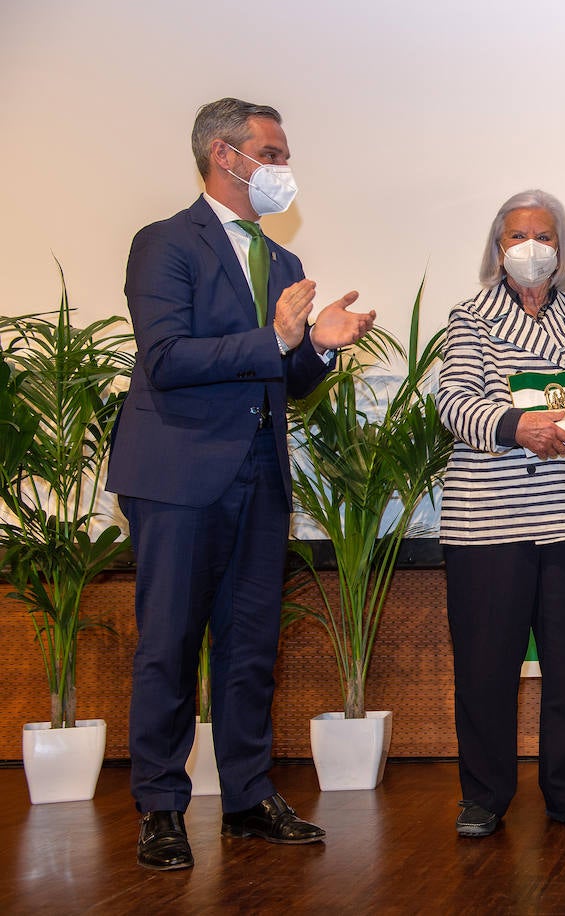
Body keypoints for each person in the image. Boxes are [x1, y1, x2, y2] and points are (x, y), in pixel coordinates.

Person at [107, 98, 376, 871]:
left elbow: (285, 380)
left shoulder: (282, 263)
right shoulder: (165, 243)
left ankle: (248, 798)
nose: (283, 169)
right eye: (273, 153)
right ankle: (160, 806)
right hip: (180, 476)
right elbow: (167, 358)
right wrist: (277, 336)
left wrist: (317, 349)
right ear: (226, 156)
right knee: (169, 644)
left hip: (260, 478)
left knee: (252, 649)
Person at [436, 189, 565, 838]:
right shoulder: (469, 318)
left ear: (562, 249)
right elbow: (455, 404)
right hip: (490, 522)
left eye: (544, 236)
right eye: (517, 236)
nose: (531, 248)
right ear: (498, 249)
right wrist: (520, 426)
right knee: (486, 668)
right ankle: (484, 798)